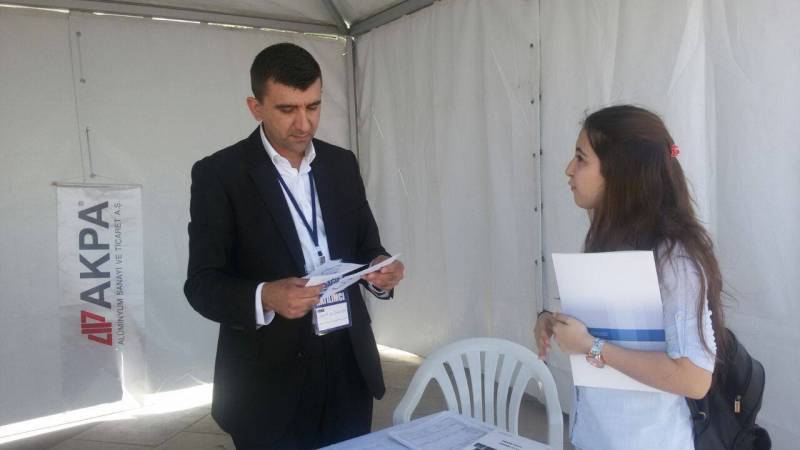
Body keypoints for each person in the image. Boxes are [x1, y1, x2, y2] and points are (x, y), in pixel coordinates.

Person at [184, 42, 404, 449]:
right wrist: (265, 296)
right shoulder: (220, 174)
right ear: (256, 107)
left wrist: (381, 269)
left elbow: (366, 246)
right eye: (288, 109)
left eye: (313, 106)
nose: (304, 123)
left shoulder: (341, 164)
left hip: (347, 365)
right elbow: (201, 284)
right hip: (268, 384)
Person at [534, 105, 726, 449]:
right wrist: (553, 322)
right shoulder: (611, 240)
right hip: (595, 437)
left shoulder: (674, 259)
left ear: (622, 171)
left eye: (581, 158)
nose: (569, 169)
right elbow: (618, 332)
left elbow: (694, 378)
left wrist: (591, 346)